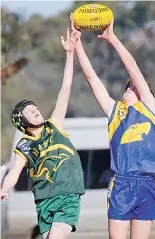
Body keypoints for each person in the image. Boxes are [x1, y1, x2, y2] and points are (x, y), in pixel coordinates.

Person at [70, 16, 155, 239]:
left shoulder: (148, 109)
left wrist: (112, 38)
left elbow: (132, 67)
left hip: (147, 184)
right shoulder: (115, 112)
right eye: (127, 86)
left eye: (133, 86)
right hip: (122, 183)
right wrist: (78, 46)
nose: (129, 86)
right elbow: (91, 77)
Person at [0, 28, 85, 239]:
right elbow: (14, 172)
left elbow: (65, 88)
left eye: (35, 108)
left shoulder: (53, 125)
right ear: (23, 122)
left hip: (67, 196)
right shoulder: (24, 145)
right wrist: (4, 189)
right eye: (29, 111)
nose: (36, 110)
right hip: (44, 201)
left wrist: (69, 54)